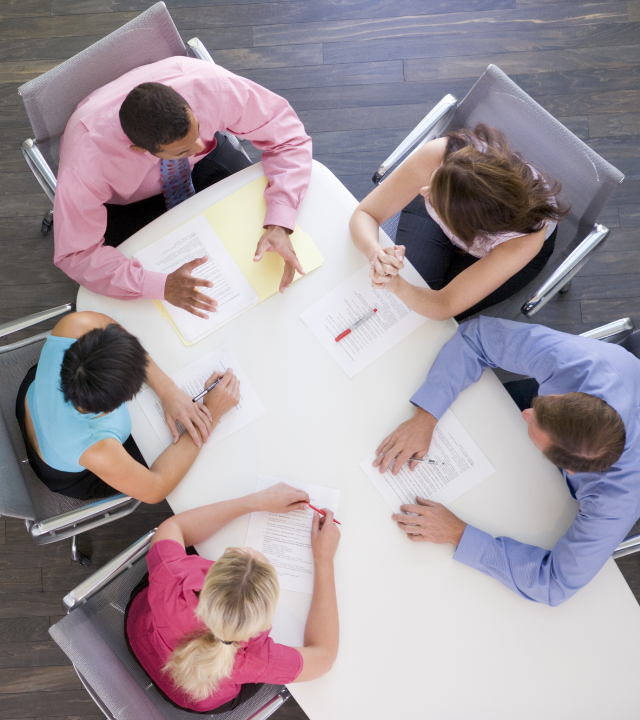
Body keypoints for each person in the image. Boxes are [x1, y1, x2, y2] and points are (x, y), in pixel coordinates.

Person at [373, 317, 639, 606]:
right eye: (540, 406)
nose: (526, 413)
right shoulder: (579, 363)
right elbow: (479, 337)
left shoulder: (615, 500)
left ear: (570, 469)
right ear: (568, 394)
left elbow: (554, 583)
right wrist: (427, 414)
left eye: (535, 425)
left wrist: (457, 533)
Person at [54, 56, 313, 317]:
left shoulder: (210, 87)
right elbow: (77, 254)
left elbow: (288, 137)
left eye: (198, 129)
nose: (200, 145)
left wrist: (280, 220)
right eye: (184, 149)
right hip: (131, 202)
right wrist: (159, 285)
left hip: (202, 168)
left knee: (259, 234)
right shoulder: (85, 166)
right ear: (140, 150)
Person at [125, 482, 340, 712]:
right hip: (193, 697)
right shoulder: (257, 659)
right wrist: (324, 560)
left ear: (210, 578)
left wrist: (254, 502)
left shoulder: (172, 576)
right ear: (264, 623)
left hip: (139, 636)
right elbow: (324, 657)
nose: (252, 550)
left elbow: (174, 526)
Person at [15, 311, 240, 502]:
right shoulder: (97, 448)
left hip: (32, 399)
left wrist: (167, 389)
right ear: (113, 407)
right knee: (158, 448)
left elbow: (108, 325)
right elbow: (155, 488)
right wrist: (211, 414)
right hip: (66, 471)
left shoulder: (73, 325)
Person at [350, 124, 567, 321]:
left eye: (433, 198)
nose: (422, 191)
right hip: (462, 208)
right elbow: (366, 213)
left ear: (462, 226)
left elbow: (445, 304)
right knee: (413, 293)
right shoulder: (440, 155)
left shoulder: (524, 241)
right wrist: (375, 253)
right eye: (434, 178)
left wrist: (398, 286)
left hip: (500, 247)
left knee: (422, 313)